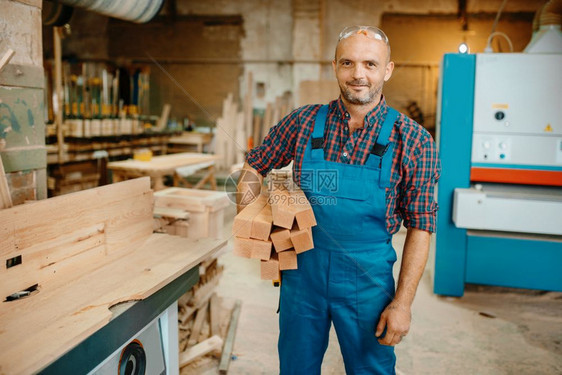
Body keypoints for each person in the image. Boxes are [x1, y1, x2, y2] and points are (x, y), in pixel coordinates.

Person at [236, 25, 440, 375]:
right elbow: (254, 165)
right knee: (296, 368)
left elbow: (421, 227)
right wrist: (254, 221)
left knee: (371, 369)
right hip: (302, 279)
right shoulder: (303, 123)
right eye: (348, 63)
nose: (358, 74)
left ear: (387, 70)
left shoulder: (414, 141)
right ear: (335, 66)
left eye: (370, 64)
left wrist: (403, 304)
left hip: (368, 283)